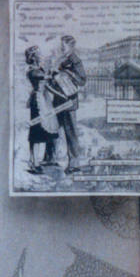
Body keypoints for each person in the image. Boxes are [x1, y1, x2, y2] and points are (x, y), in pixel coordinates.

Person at [46, 34, 86, 174]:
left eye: (64, 45)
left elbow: (82, 80)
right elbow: (55, 78)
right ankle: (50, 158)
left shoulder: (75, 61)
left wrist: (66, 73)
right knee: (53, 129)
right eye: (61, 45)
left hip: (69, 103)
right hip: (58, 100)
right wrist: (52, 76)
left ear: (71, 46)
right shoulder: (62, 60)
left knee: (71, 133)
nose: (61, 47)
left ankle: (74, 163)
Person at [24, 46, 58, 174]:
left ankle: (36, 161)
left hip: (44, 100)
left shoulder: (40, 69)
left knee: (41, 131)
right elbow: (45, 78)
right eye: (39, 54)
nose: (41, 55)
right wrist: (51, 73)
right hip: (38, 101)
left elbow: (48, 83)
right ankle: (34, 162)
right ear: (33, 57)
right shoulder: (33, 71)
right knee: (36, 132)